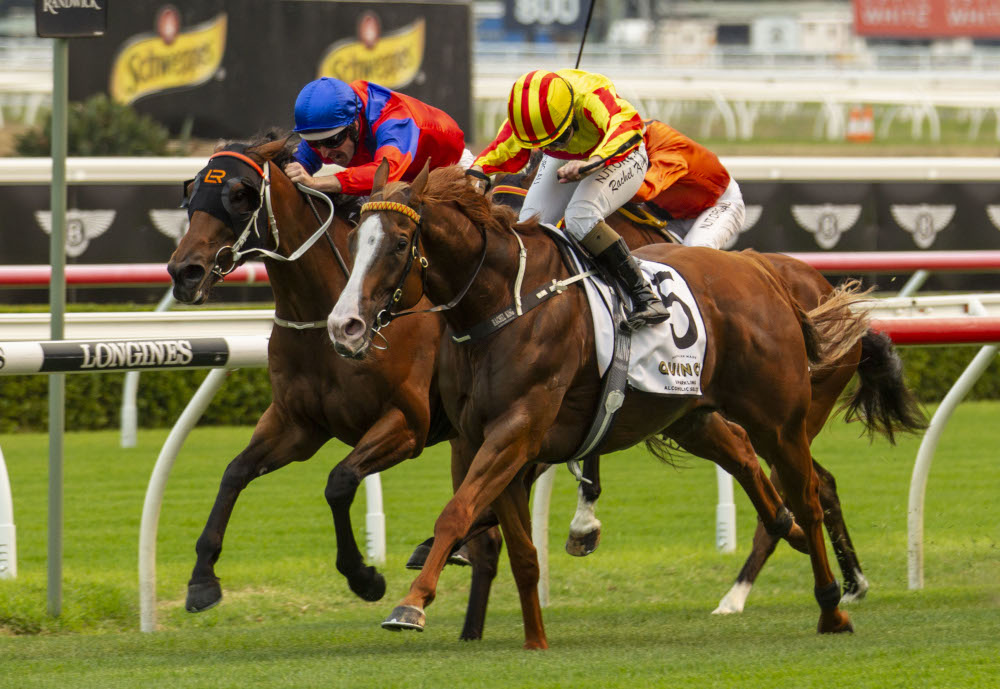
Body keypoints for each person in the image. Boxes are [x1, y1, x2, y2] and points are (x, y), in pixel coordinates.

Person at [467, 69, 670, 329]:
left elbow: (628, 126)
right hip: (570, 159)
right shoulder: (528, 117)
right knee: (530, 225)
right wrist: (477, 171)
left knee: (580, 216)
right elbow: (501, 147)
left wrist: (592, 162)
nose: (556, 146)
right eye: (547, 144)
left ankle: (644, 295)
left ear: (571, 114)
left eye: (560, 138)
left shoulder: (592, 95)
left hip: (620, 152)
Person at [283, 77, 475, 196]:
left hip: (449, 171)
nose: (324, 152)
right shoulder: (329, 127)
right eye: (314, 143)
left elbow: (385, 173)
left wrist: (316, 182)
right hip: (397, 184)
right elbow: (296, 167)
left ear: (354, 125)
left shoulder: (393, 119)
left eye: (332, 141)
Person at [632, 119, 745, 250]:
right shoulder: (632, 130)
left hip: (716, 204)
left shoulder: (668, 152)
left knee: (694, 250)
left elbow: (643, 192)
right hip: (666, 211)